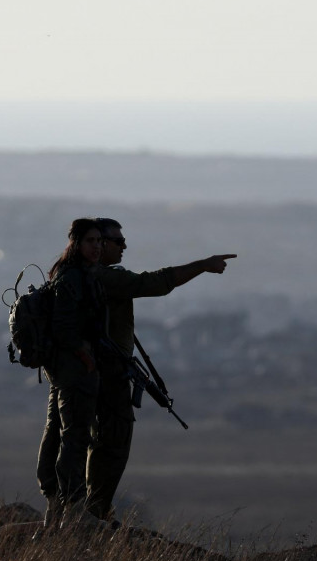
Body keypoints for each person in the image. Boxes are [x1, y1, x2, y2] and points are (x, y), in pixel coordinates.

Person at [85, 217, 236, 521]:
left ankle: (89, 507)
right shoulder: (104, 279)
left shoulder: (82, 277)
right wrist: (202, 265)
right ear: (99, 245)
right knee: (112, 442)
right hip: (105, 375)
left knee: (97, 441)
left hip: (94, 374)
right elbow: (154, 283)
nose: (123, 246)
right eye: (117, 241)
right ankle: (94, 511)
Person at [35, 218, 107, 528]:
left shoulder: (72, 275)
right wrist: (84, 355)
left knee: (58, 432)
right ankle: (73, 507)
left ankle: (55, 506)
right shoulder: (72, 278)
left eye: (99, 241)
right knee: (75, 435)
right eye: (91, 240)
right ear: (76, 243)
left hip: (64, 370)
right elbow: (64, 327)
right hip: (73, 370)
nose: (97, 247)